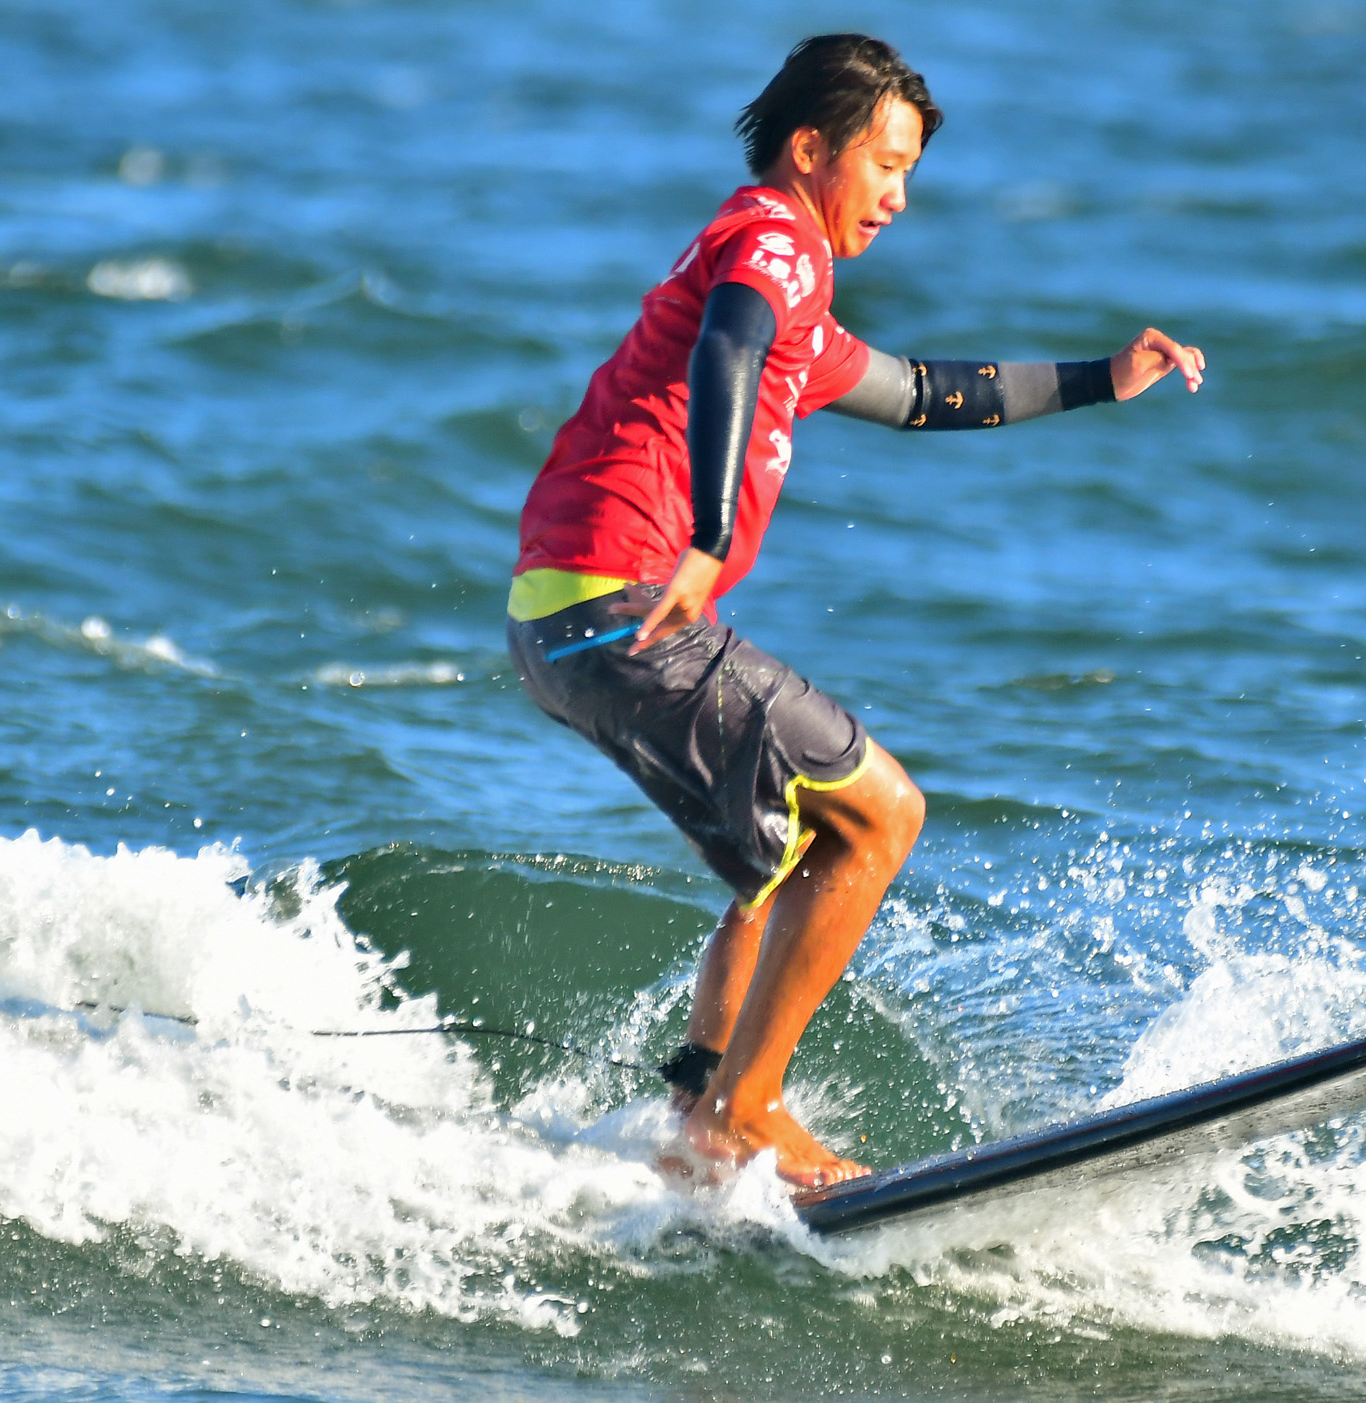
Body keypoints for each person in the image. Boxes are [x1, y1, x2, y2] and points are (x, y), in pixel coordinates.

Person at [506, 34, 1204, 1188]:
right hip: (628, 594)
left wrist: (1099, 379)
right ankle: (745, 1111)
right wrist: (710, 535)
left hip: (560, 618)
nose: (898, 196)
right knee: (881, 816)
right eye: (884, 164)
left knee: (788, 859)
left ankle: (697, 1113)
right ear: (808, 149)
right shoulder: (772, 245)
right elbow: (727, 344)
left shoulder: (788, 299)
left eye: (910, 173)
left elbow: (923, 392)